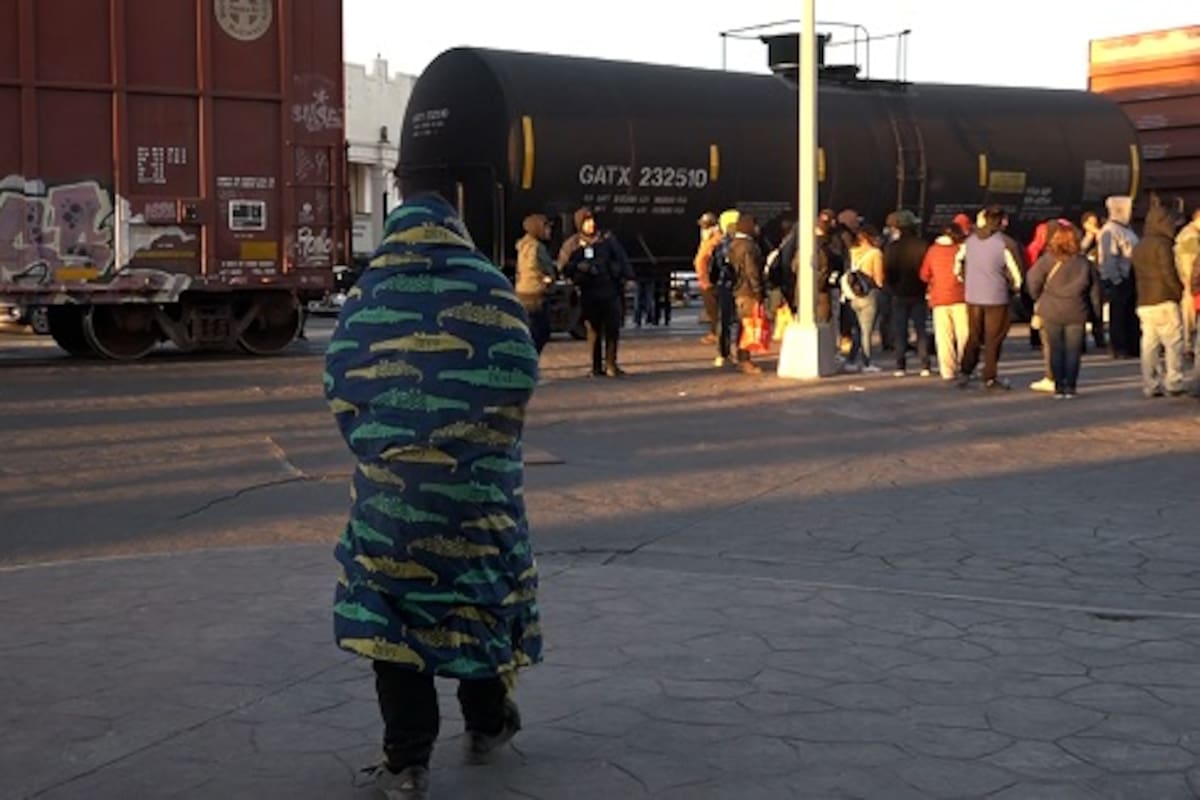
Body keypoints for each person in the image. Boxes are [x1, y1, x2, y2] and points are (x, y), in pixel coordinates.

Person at [324, 193, 541, 800]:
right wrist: (488, 441)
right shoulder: (490, 286)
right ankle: (489, 723)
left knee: (392, 620)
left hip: (390, 501)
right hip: (481, 497)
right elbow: (522, 374)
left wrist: (379, 448)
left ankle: (407, 762)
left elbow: (339, 381)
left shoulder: (369, 293)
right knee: (482, 605)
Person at [1026, 222, 1102, 399]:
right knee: (1073, 351)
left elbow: (1032, 281)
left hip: (1051, 309)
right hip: (1077, 310)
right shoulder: (1085, 263)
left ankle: (1059, 386)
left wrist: (1039, 297)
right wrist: (1095, 316)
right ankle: (1071, 386)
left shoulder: (1047, 260)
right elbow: (1095, 292)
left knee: (1056, 349)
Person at [559, 207, 635, 377]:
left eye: (592, 220)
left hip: (609, 291)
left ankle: (611, 364)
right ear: (580, 224)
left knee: (612, 329)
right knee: (593, 332)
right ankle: (596, 367)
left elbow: (621, 258)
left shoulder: (607, 239)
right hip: (588, 293)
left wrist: (628, 277)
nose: (591, 224)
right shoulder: (572, 244)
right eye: (587, 221)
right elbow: (563, 266)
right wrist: (578, 267)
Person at [955, 205, 1023, 390]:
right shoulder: (1006, 243)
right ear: (1001, 221)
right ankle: (990, 376)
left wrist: (966, 281)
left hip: (973, 295)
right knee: (994, 338)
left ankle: (965, 371)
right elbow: (1017, 274)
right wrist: (1014, 289)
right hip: (997, 297)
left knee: (974, 335)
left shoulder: (969, 241)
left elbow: (958, 265)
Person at [1132, 200, 1186, 398]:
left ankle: (1150, 383)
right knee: (1173, 343)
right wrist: (1178, 291)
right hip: (1164, 299)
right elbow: (1168, 272)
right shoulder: (1163, 244)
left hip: (1145, 301)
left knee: (1149, 344)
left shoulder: (1139, 245)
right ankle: (1174, 381)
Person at [883, 210, 932, 376]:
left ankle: (900, 365)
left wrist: (893, 287)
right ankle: (925, 364)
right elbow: (928, 270)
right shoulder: (922, 245)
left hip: (899, 294)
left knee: (900, 330)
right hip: (919, 292)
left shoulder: (892, 248)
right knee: (921, 329)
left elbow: (888, 271)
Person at [920, 224, 969, 381]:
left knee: (943, 336)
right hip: (961, 296)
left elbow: (924, 274)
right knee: (964, 334)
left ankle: (947, 370)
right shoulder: (962, 249)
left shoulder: (933, 250)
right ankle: (966, 367)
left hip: (939, 298)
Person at [1098, 195, 1140, 359]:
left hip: (1130, 275)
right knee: (1119, 315)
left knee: (1129, 314)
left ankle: (1131, 345)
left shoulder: (1126, 229)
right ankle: (1119, 347)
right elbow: (1108, 258)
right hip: (1121, 278)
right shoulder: (1110, 230)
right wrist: (1116, 280)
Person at [726, 214, 767, 374]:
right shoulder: (749, 246)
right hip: (748, 291)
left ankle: (741, 357)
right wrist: (759, 292)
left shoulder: (733, 244)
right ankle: (744, 359)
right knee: (748, 326)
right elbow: (752, 272)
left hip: (738, 290)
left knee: (743, 324)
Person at [842, 225, 885, 372]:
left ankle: (851, 360)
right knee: (867, 331)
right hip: (869, 294)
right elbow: (879, 278)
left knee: (857, 330)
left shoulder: (851, 252)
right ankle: (867, 362)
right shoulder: (875, 253)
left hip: (852, 295)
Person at [515, 213, 556, 355]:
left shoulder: (523, 245)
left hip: (523, 293)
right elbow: (533, 266)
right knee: (540, 333)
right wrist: (546, 278)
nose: (549, 231)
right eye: (546, 228)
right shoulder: (536, 247)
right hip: (536, 295)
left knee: (532, 332)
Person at [710, 209, 740, 368]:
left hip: (723, 285)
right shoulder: (738, 243)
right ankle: (740, 353)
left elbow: (713, 268)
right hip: (736, 285)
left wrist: (714, 283)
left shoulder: (719, 244)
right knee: (739, 320)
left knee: (724, 320)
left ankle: (723, 353)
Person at [1174, 208, 1200, 358]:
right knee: (1190, 316)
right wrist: (1192, 285)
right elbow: (1189, 262)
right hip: (1191, 284)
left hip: (1191, 282)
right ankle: (1188, 347)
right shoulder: (1191, 236)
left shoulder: (1190, 234)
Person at [1080, 211, 1108, 351]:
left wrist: (1097, 233)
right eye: (1090, 222)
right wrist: (1089, 236)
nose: (1093, 225)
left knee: (1097, 307)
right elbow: (1080, 251)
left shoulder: (1103, 235)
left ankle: (1099, 336)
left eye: (1095, 222)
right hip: (1084, 276)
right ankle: (1082, 340)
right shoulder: (1081, 238)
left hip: (1098, 274)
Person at [694, 212, 721, 344]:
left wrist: (706, 279)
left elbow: (706, 259)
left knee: (714, 309)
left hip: (710, 280)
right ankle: (714, 332)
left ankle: (716, 334)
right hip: (705, 278)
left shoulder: (714, 238)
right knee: (712, 309)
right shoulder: (708, 238)